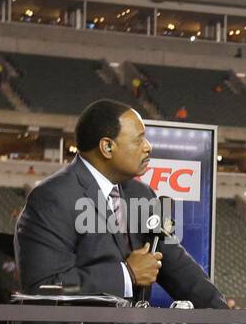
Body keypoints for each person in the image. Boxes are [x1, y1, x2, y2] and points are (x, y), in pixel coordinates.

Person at [14, 99, 226, 307]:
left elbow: (179, 269)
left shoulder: (141, 194)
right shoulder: (53, 197)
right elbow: (43, 288)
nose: (148, 147)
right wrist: (126, 275)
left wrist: (229, 322)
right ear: (107, 147)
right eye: (138, 140)